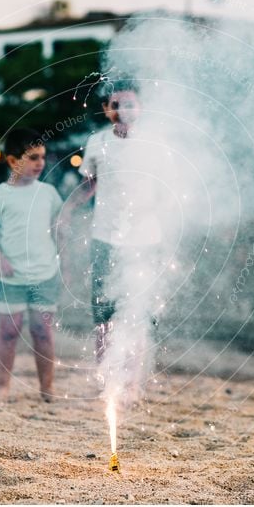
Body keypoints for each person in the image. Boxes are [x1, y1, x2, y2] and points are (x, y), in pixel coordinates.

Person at [62, 83, 163, 400]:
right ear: (107, 109)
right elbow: (89, 185)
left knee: (138, 314)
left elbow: (167, 192)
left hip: (144, 242)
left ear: (141, 107)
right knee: (103, 315)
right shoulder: (97, 143)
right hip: (104, 239)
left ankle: (132, 384)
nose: (123, 111)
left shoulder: (154, 143)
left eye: (130, 104)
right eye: (116, 104)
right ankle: (106, 379)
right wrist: (66, 210)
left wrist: (146, 212)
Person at [0, 128, 63, 403]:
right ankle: (3, 387)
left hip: (44, 274)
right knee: (9, 331)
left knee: (42, 331)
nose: (40, 163)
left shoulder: (49, 193)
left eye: (42, 157)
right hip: (9, 277)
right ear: (13, 161)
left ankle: (47, 388)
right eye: (33, 158)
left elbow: (59, 230)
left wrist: (66, 261)